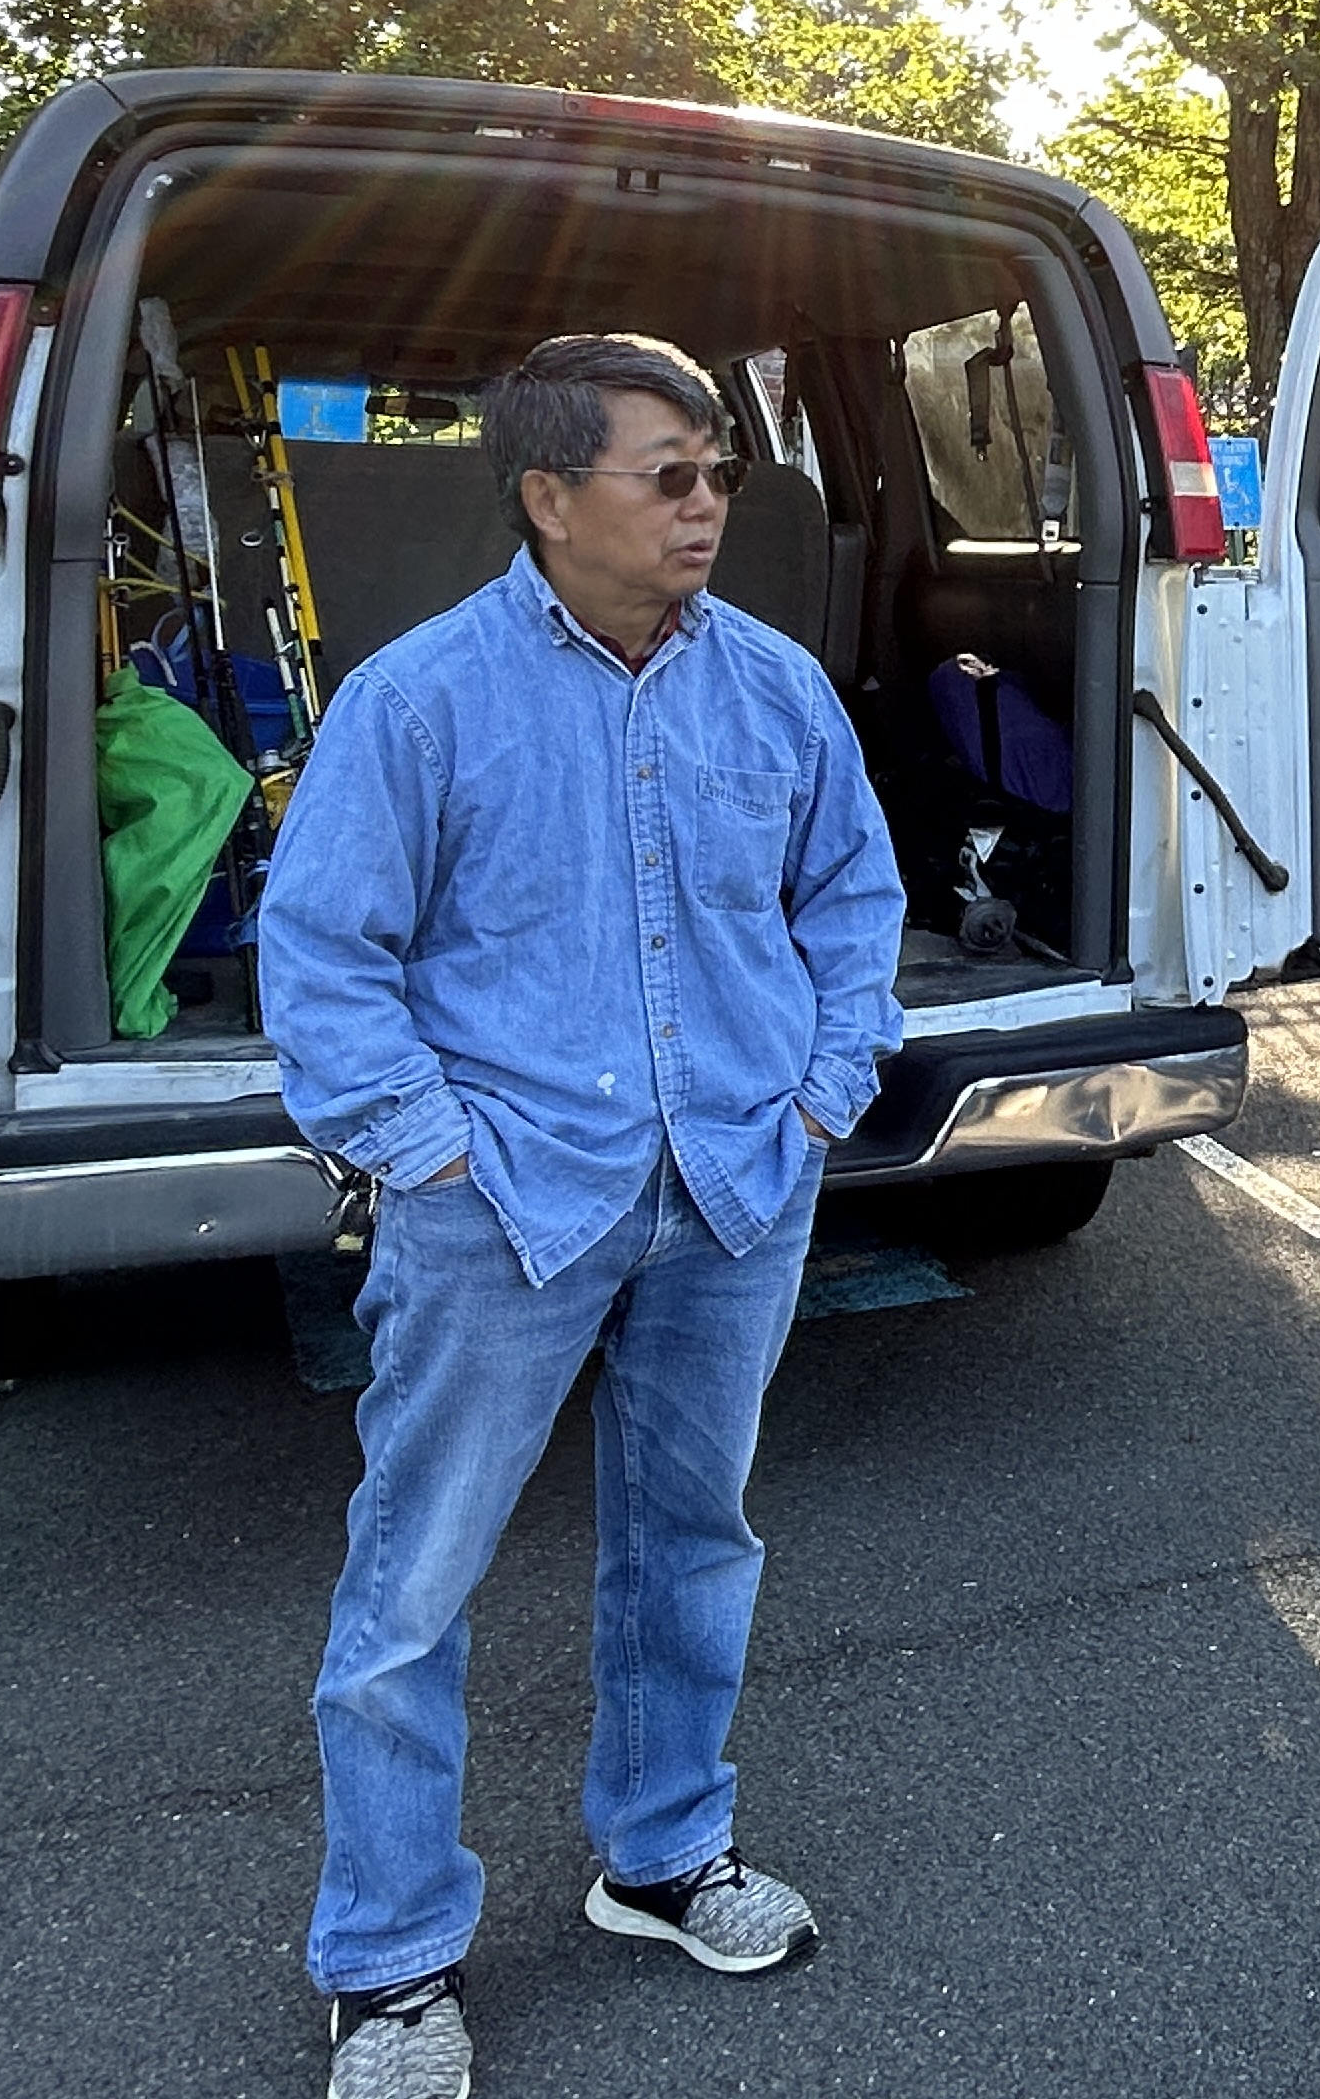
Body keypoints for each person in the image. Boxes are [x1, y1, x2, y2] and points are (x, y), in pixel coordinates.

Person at [262, 333, 906, 2099]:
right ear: (549, 497)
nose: (708, 506)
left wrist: (822, 1089)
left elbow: (853, 898)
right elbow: (322, 958)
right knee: (415, 1584)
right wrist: (432, 1152)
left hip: (734, 1185)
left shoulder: (774, 686)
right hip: (503, 1205)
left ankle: (664, 1854)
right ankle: (391, 1963)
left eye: (720, 475)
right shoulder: (420, 701)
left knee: (694, 1540)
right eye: (668, 476)